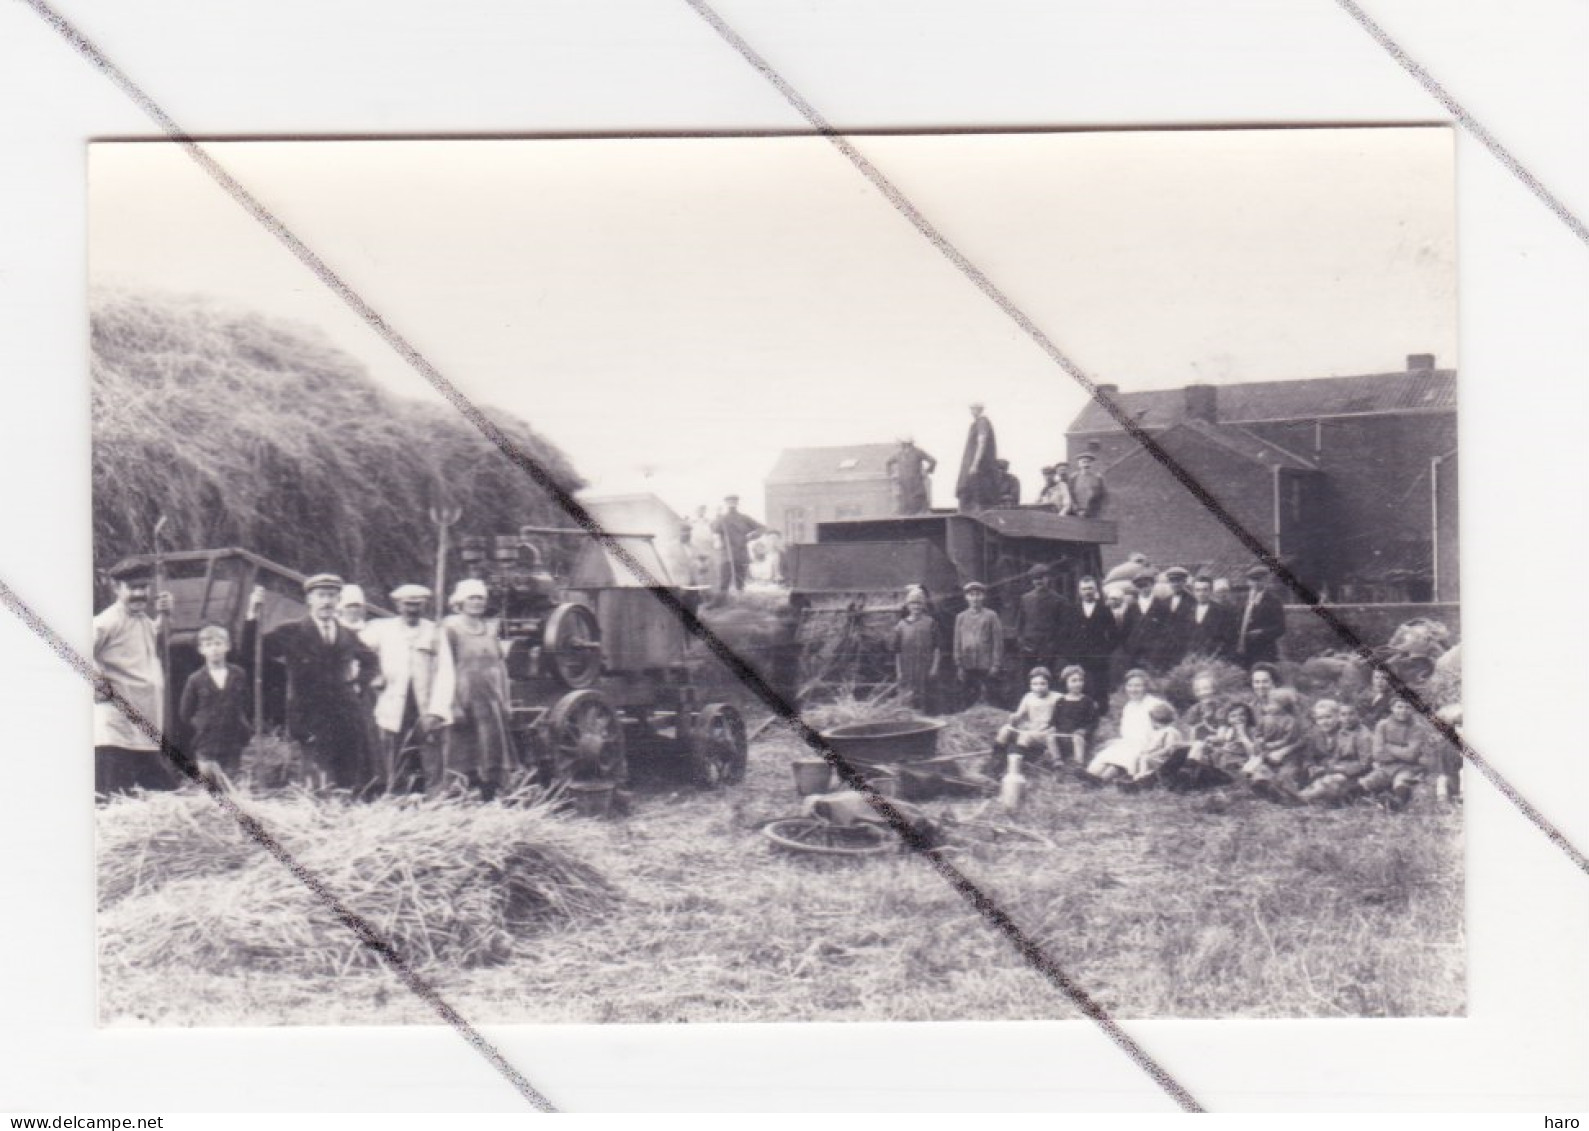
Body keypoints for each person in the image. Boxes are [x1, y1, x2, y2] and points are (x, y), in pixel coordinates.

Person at [244, 575, 379, 792]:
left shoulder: (347, 634)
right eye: (321, 596)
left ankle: (344, 814)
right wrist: (252, 615)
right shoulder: (292, 631)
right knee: (317, 776)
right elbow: (254, 650)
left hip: (345, 713)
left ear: (338, 600)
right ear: (309, 599)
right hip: (309, 714)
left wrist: (358, 685)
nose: (326, 602)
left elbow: (371, 661)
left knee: (347, 774)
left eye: (332, 596)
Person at [359, 583, 454, 793]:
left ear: (424, 606)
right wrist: (374, 675)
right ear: (397, 605)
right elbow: (358, 652)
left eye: (417, 605)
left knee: (432, 757)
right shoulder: (381, 629)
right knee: (394, 756)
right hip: (393, 704)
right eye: (407, 605)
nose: (412, 610)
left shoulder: (435, 632)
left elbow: (445, 672)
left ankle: (435, 798)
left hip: (425, 706)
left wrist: (437, 710)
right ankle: (396, 797)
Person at [93, 560, 177, 796]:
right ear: (116, 588)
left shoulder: (144, 622)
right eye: (132, 588)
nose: (140, 594)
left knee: (165, 798)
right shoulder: (107, 621)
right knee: (114, 800)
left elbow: (159, 639)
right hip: (116, 734)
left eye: (144, 587)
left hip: (145, 728)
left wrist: (165, 614)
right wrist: (97, 682)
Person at [438, 578, 520, 799]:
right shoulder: (451, 629)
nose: (476, 602)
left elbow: (500, 667)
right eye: (471, 598)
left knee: (491, 749)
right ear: (460, 602)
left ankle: (489, 794)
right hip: (465, 700)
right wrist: (453, 704)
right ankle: (458, 795)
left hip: (491, 700)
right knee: (462, 751)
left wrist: (506, 701)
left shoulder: (491, 630)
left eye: (480, 598)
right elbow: (445, 668)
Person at [178, 623, 251, 780]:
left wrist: (241, 724)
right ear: (201, 650)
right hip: (206, 743)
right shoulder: (195, 679)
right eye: (208, 645)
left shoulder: (238, 675)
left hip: (232, 741)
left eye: (218, 643)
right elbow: (185, 713)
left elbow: (246, 703)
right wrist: (202, 725)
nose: (214, 649)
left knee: (231, 785)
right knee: (210, 786)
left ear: (227, 646)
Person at [1085, 669, 1172, 783]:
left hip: (1147, 746)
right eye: (1130, 686)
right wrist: (1117, 741)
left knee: (1122, 759)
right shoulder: (1128, 706)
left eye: (1137, 686)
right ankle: (1091, 777)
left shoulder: (1155, 704)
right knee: (1100, 762)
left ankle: (1102, 780)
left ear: (1145, 687)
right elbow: (1126, 732)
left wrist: (1149, 748)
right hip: (1128, 743)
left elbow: (1164, 731)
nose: (1133, 689)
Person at [1244, 662, 1308, 801]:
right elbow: (1252, 732)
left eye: (1265, 681)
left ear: (1274, 682)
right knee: (1256, 771)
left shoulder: (1290, 705)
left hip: (1291, 752)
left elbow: (1305, 735)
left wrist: (1283, 751)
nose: (1260, 686)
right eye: (1256, 682)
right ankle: (1266, 786)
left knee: (1286, 775)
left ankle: (1283, 789)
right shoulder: (1251, 706)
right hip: (1265, 752)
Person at [1298, 699, 1375, 806]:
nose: (1325, 722)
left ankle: (1301, 798)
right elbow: (1310, 755)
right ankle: (1304, 796)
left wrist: (1334, 768)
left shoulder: (1358, 733)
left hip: (1354, 774)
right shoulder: (1321, 733)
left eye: (1328, 717)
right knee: (1320, 780)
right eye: (1320, 718)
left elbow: (1365, 763)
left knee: (1332, 781)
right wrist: (1312, 766)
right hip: (1331, 770)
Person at [991, 666, 1063, 774]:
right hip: (1031, 728)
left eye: (1042, 683)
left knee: (1025, 736)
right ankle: (996, 762)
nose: (1038, 687)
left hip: (1045, 732)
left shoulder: (1057, 697)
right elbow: (1019, 714)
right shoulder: (1028, 696)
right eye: (1034, 684)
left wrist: (1052, 726)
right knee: (1005, 729)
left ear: (1049, 684)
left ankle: (1016, 767)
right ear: (1030, 685)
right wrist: (1014, 718)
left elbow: (1066, 713)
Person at [1361, 697, 1428, 809]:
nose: (1403, 711)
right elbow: (1378, 754)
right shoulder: (1382, 725)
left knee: (1402, 782)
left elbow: (1411, 756)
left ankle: (1396, 803)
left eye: (1407, 707)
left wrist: (1389, 745)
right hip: (1386, 767)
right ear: (1392, 708)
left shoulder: (1417, 727)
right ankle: (1368, 799)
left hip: (1408, 767)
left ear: (1412, 710)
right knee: (1368, 782)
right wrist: (1402, 749)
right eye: (1399, 707)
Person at [952, 580, 1003, 707]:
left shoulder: (991, 616)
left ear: (983, 596)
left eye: (978, 594)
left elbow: (998, 642)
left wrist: (995, 664)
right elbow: (957, 641)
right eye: (971, 595)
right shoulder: (961, 617)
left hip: (986, 664)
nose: (975, 598)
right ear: (966, 597)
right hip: (967, 664)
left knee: (989, 697)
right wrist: (959, 664)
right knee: (968, 698)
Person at [1014, 564, 1070, 676]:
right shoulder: (1025, 599)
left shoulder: (1059, 600)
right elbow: (1020, 624)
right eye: (1035, 578)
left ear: (1048, 578)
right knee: (1028, 679)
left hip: (1050, 650)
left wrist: (1054, 646)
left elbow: (1064, 627)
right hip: (1029, 649)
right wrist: (1022, 642)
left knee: (1049, 678)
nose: (1038, 581)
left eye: (1041, 578)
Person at [889, 593, 939, 711]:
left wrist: (934, 667)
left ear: (923, 605)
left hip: (925, 666)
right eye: (913, 603)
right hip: (907, 667)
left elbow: (937, 647)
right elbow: (897, 651)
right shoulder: (901, 626)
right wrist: (899, 671)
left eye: (919, 603)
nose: (916, 606)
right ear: (908, 606)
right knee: (907, 697)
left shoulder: (930, 623)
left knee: (925, 697)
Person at [1072, 575, 1118, 699]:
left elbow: (1114, 635)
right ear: (1079, 591)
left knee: (1100, 688)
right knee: (1081, 687)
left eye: (1090, 588)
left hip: (1099, 657)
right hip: (1079, 657)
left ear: (1096, 590)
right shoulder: (1073, 610)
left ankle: (1101, 714)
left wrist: (1105, 650)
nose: (1087, 592)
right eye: (1084, 589)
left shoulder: (1104, 610)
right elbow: (1067, 634)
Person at [1049, 664, 1102, 768]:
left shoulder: (1087, 701)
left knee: (1077, 738)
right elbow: (1054, 720)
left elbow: (1094, 722)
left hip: (1079, 738)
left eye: (1080, 680)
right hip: (1062, 736)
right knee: (1050, 737)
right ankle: (1057, 759)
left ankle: (1079, 763)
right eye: (1073, 681)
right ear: (1066, 683)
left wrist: (1084, 730)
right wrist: (1053, 727)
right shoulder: (1061, 701)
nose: (1078, 684)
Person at [1235, 564, 1287, 667]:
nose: (1255, 583)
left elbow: (1281, 628)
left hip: (1263, 650)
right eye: (1252, 580)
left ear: (1265, 580)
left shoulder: (1273, 601)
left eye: (1258, 580)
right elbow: (1235, 619)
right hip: (1242, 648)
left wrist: (1262, 632)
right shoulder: (1242, 599)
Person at [712, 495, 766, 593]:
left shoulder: (744, 518)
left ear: (737, 503)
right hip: (727, 554)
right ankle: (722, 602)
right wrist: (717, 516)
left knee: (740, 583)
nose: (732, 504)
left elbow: (762, 528)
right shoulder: (722, 518)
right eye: (729, 502)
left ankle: (739, 601)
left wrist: (750, 537)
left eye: (734, 501)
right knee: (724, 582)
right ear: (726, 503)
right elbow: (714, 529)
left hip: (740, 553)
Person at [1148, 565, 1196, 670]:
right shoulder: (1164, 601)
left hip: (1184, 645)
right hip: (1166, 648)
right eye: (1172, 581)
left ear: (1184, 582)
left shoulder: (1193, 602)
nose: (1176, 584)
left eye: (1179, 581)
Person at [955, 402, 998, 512]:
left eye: (973, 409)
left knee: (973, 491)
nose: (972, 411)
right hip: (974, 466)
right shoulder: (976, 423)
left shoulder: (982, 421)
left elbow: (981, 442)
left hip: (978, 468)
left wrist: (975, 464)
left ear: (979, 409)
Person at [1184, 574, 1236, 661]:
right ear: (1193, 592)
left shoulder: (1223, 612)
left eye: (1205, 590)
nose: (1201, 594)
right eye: (1198, 590)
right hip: (1190, 660)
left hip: (1215, 660)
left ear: (1211, 591)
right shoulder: (1186, 610)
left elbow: (1228, 640)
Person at [1120, 568, 1163, 672]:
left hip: (1155, 654)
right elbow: (1125, 631)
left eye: (1146, 585)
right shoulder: (1132, 607)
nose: (1143, 589)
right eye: (1140, 586)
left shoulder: (1161, 606)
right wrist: (1130, 647)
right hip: (1135, 654)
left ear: (1152, 585)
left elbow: (1166, 631)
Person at [885, 437, 937, 516]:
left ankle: (921, 513)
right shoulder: (898, 454)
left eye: (904, 444)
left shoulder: (918, 452)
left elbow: (933, 461)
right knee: (904, 505)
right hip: (903, 484)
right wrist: (891, 475)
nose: (903, 446)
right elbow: (888, 463)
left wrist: (927, 471)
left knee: (919, 502)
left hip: (916, 482)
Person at [685, 505, 718, 588]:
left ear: (705, 511)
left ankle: (707, 586)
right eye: (699, 510)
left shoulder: (709, 522)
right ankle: (692, 584)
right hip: (695, 546)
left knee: (707, 566)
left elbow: (714, 534)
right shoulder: (691, 522)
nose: (701, 512)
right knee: (695, 565)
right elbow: (686, 535)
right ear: (696, 511)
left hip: (707, 546)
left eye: (703, 510)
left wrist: (713, 543)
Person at [1068, 450, 1108, 517]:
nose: (1086, 465)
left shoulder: (1098, 478)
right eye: (1083, 462)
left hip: (1094, 512)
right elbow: (1070, 495)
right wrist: (1077, 509)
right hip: (1077, 512)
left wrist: (1099, 510)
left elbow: (1103, 495)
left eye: (1089, 462)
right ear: (1079, 464)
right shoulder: (1073, 478)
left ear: (1092, 464)